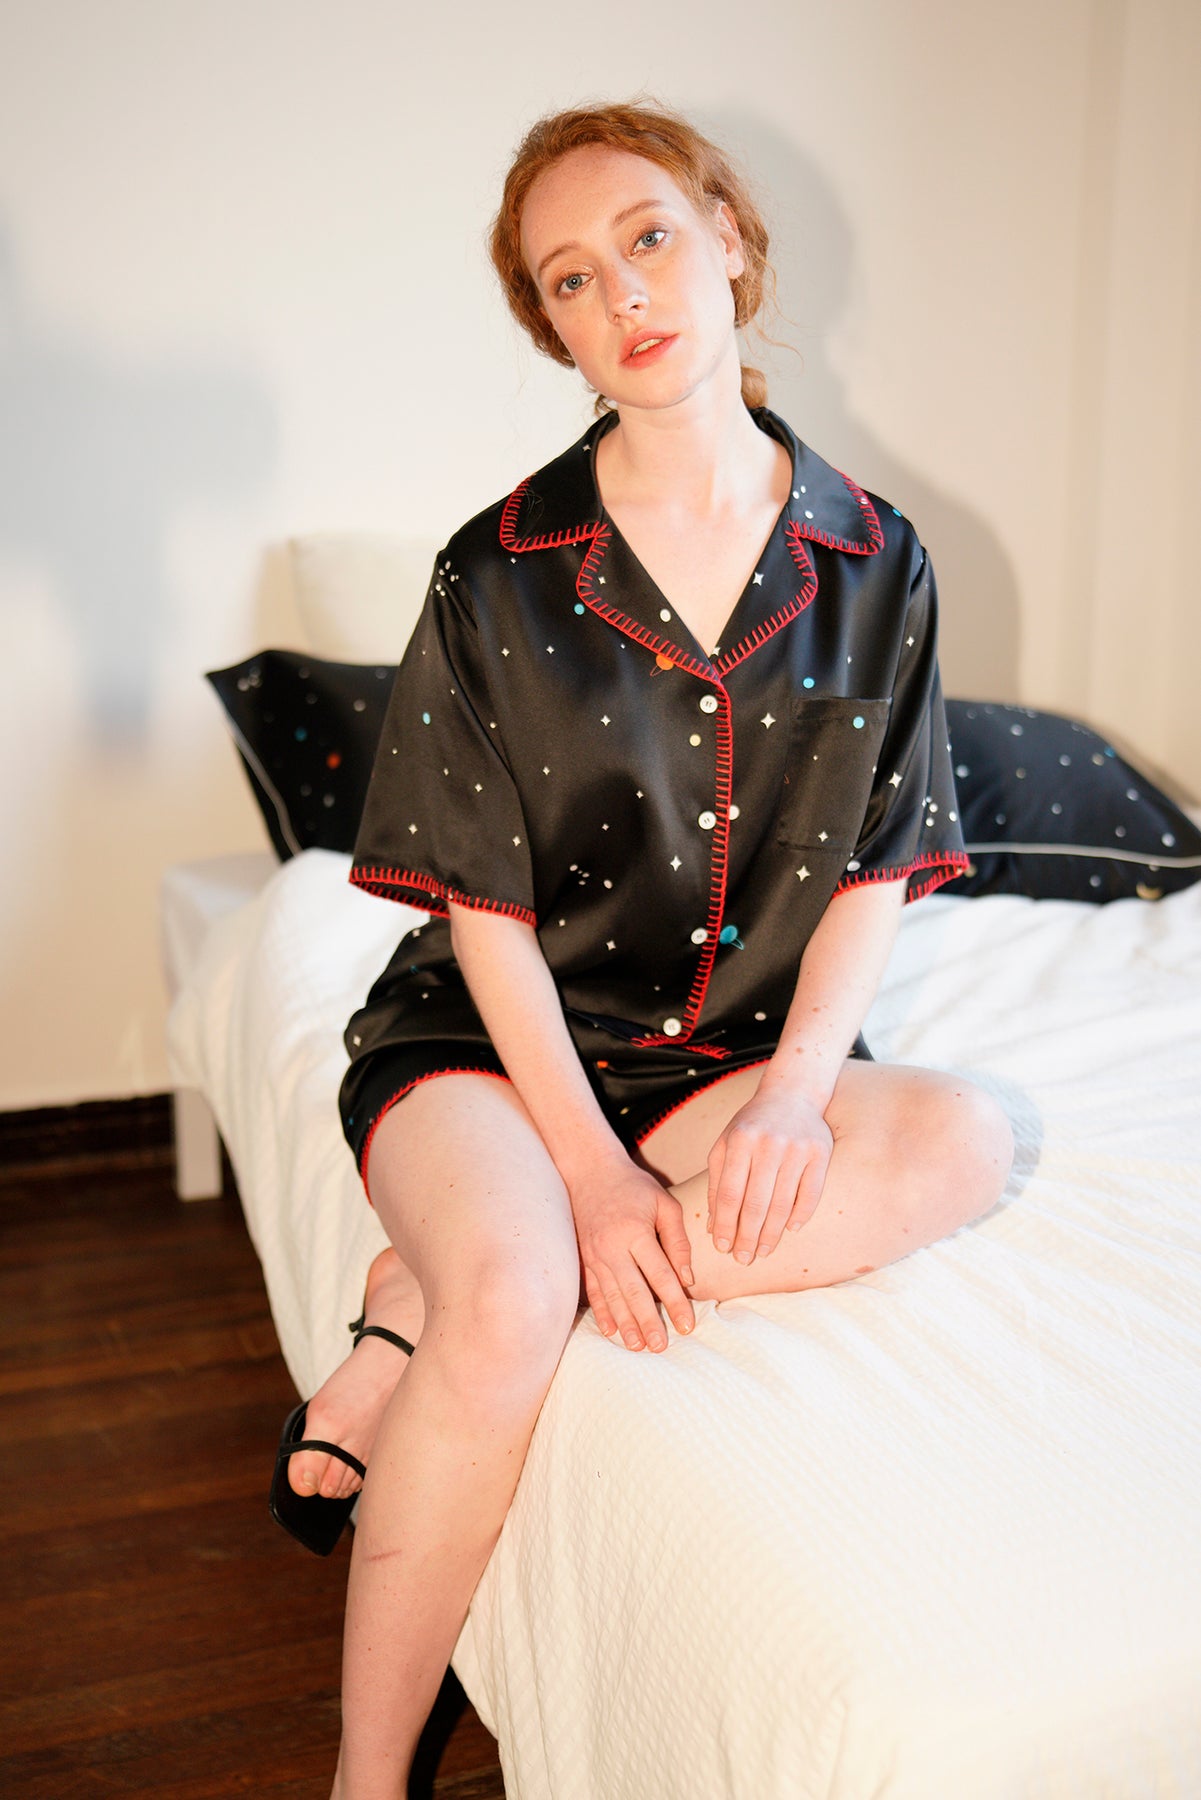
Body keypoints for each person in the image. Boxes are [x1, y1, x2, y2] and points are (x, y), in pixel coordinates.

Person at [271, 101, 1014, 1799]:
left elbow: (873, 864)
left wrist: (794, 1095)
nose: (621, 292)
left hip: (727, 1054)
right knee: (521, 1293)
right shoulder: (495, 572)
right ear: (553, 330)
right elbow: (480, 909)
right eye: (569, 278)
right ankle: (368, 1778)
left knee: (960, 1138)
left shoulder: (877, 559)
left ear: (729, 238)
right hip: (491, 1039)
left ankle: (412, 1298)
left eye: (648, 237)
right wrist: (591, 1183)